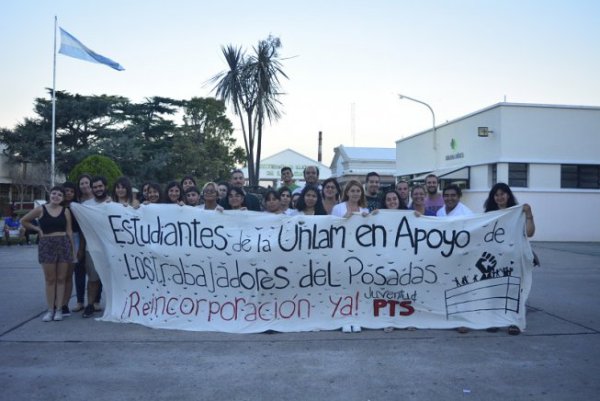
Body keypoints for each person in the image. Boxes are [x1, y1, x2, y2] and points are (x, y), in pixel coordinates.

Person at [482, 182, 536, 336]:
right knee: (494, 291)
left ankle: (514, 322)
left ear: (508, 195)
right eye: (496, 194)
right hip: (494, 260)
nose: (500, 197)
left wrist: (529, 214)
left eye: (502, 193)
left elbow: (530, 233)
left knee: (513, 291)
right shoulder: (488, 216)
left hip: (514, 259)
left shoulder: (518, 214)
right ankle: (494, 321)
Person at [20, 186, 75, 322]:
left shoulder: (66, 211)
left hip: (63, 244)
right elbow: (24, 220)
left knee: (62, 278)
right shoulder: (41, 209)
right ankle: (50, 310)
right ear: (50, 195)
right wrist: (37, 229)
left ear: (62, 198)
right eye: (54, 193)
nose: (56, 196)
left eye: (60, 195)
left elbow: (69, 232)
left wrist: (73, 251)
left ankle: (59, 309)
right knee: (50, 279)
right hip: (47, 245)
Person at [80, 176, 111, 318]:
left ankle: (115, 305)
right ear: (92, 189)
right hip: (92, 248)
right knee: (93, 279)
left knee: (114, 279)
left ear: (105, 186)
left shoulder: (113, 203)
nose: (98, 189)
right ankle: (90, 305)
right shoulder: (86, 205)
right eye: (95, 187)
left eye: (100, 186)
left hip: (111, 249)